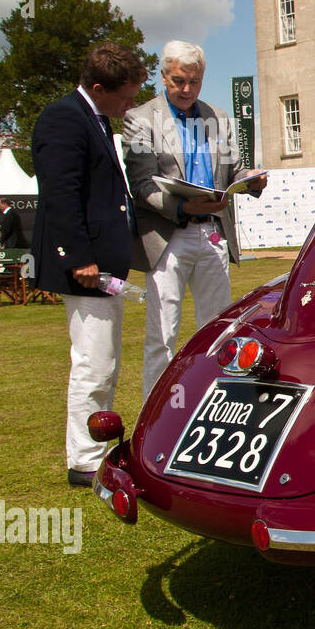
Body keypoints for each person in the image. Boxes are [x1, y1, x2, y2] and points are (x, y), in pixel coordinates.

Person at [30, 43, 147, 487]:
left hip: (102, 263)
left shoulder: (93, 118)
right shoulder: (65, 118)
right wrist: (79, 258)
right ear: (99, 87)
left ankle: (94, 446)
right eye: (126, 95)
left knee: (104, 358)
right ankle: (84, 457)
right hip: (85, 265)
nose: (130, 104)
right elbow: (60, 195)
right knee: (94, 361)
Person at [124, 41, 267, 398]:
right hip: (168, 236)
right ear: (163, 75)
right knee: (162, 334)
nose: (186, 89)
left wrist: (251, 179)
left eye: (195, 82)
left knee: (220, 330)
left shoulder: (218, 117)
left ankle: (218, 403)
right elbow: (141, 185)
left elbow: (232, 170)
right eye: (178, 81)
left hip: (213, 235)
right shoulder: (140, 119)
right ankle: (153, 417)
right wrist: (182, 209)